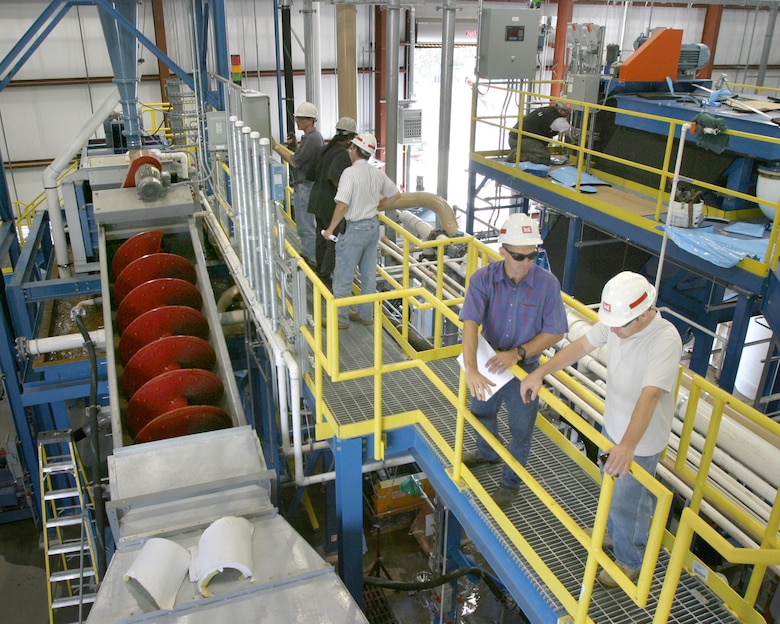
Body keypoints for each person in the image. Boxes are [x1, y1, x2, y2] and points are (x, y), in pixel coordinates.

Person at [520, 271, 682, 587]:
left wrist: (627, 446)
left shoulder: (664, 339)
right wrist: (540, 373)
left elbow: (650, 396)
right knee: (615, 490)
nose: (615, 330)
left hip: (641, 441)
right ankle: (614, 531)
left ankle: (630, 561)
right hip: (615, 425)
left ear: (645, 313)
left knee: (627, 500)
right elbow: (581, 346)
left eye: (622, 325)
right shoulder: (618, 322)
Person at [460, 213, 568, 509]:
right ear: (502, 250)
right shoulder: (483, 279)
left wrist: (518, 353)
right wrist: (471, 369)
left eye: (532, 255)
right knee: (481, 412)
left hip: (525, 371)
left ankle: (510, 482)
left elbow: (556, 330)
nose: (526, 262)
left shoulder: (547, 285)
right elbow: (470, 322)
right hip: (488, 364)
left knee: (521, 429)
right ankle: (486, 452)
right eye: (519, 255)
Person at [322, 132, 401, 329]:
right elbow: (396, 194)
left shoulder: (349, 173)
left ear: (355, 150)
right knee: (368, 275)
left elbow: (342, 205)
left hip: (355, 229)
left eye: (351, 148)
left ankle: (340, 320)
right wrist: (377, 206)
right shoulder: (376, 173)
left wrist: (329, 229)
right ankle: (366, 315)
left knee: (343, 275)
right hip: (373, 227)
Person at [307, 116, 358, 288]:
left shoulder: (325, 149)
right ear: (350, 137)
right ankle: (324, 276)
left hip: (317, 201)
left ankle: (320, 270)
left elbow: (311, 174)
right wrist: (346, 194)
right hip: (330, 204)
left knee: (321, 237)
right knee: (332, 239)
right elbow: (335, 178)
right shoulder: (342, 154)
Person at [272, 102, 323, 266]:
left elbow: (295, 162)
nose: (298, 121)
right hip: (304, 185)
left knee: (306, 225)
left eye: (301, 118)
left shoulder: (313, 138)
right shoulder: (309, 138)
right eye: (297, 118)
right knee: (302, 224)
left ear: (311, 120)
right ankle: (308, 253)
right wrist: (294, 147)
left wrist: (275, 147)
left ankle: (313, 260)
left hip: (306, 186)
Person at [506, 102, 571, 164]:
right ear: (561, 110)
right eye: (568, 111)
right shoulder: (558, 120)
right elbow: (572, 134)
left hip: (514, 138)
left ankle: (518, 151)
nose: (569, 113)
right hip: (525, 140)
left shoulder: (547, 110)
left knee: (538, 150)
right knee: (544, 159)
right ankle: (520, 156)